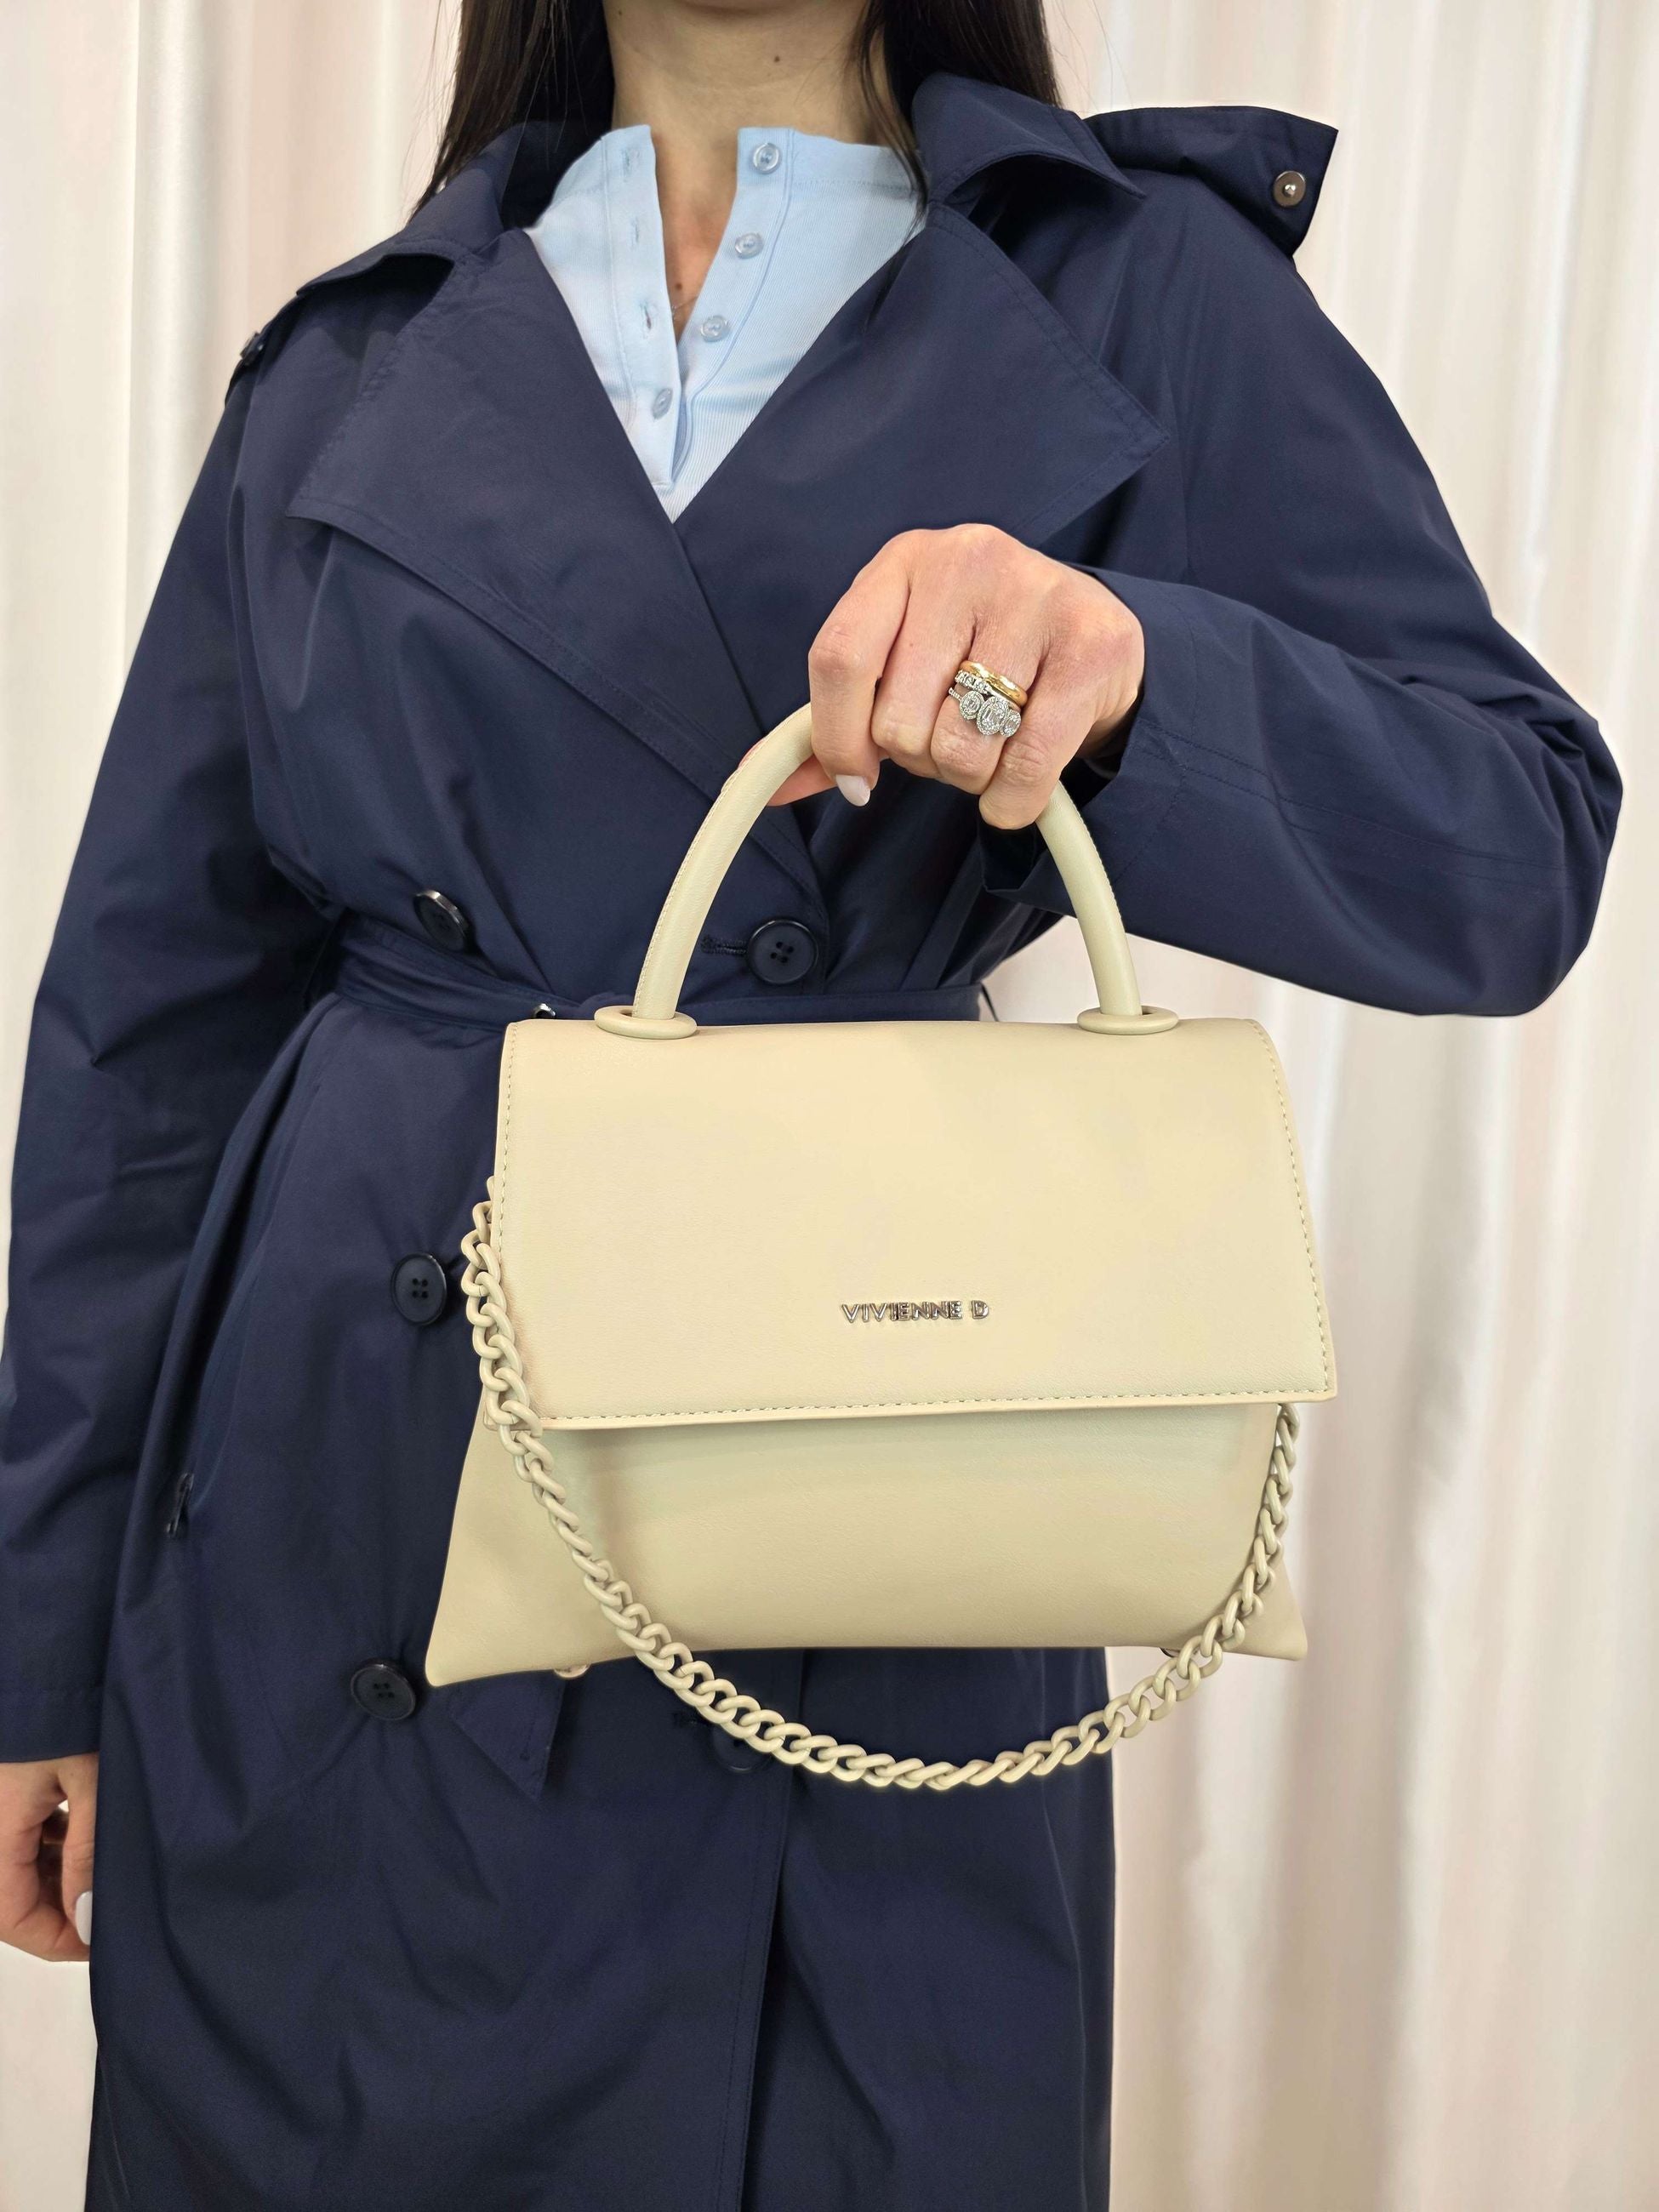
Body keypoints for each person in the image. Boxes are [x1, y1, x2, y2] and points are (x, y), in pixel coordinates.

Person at [0, 2, 1620, 2206]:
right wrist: (47, 1638)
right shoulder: (353, 354)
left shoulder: (1136, 279)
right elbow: (150, 1028)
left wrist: (1124, 670)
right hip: (332, 1531)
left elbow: (1511, 847)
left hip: (857, 1515)